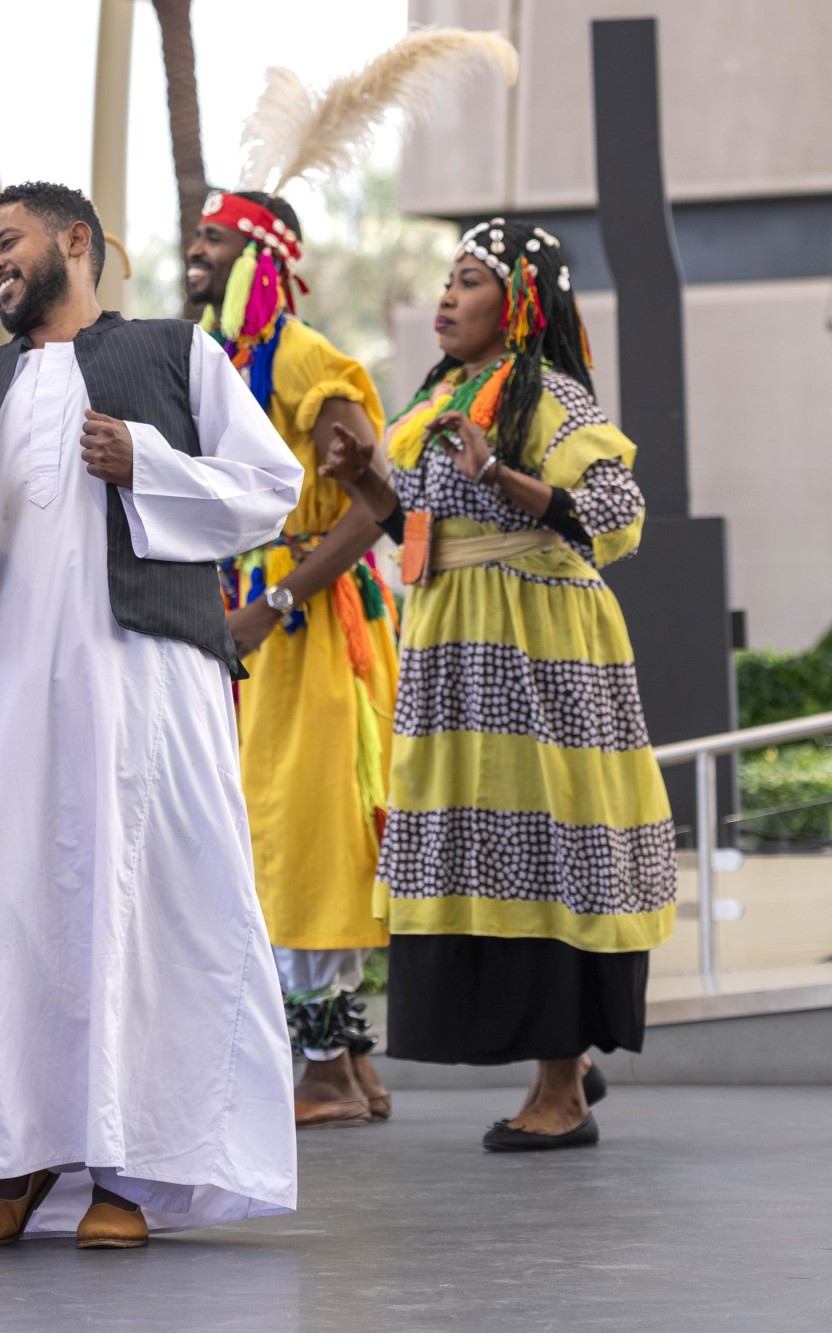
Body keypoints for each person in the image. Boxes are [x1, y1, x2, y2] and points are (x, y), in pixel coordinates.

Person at [0, 181, 303, 1251]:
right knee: (5, 911)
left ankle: (139, 1172)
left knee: (147, 907)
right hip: (0, 697)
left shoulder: (174, 355)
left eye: (8, 241)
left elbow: (269, 484)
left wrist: (147, 465)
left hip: (143, 690)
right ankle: (13, 1156)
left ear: (75, 242)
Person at [323, 219, 674, 1151]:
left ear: (516, 301)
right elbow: (416, 531)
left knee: (546, 834)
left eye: (469, 280)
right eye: (446, 278)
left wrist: (501, 471)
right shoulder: (442, 390)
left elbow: (614, 510)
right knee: (481, 842)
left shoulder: (547, 395)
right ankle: (559, 1061)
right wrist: (364, 478)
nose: (446, 295)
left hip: (536, 640)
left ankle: (561, 1087)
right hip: (451, 638)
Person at [187, 188, 398, 1128]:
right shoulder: (231, 362)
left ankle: (321, 1069)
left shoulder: (308, 361)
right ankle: (349, 1066)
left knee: (305, 837)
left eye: (214, 238)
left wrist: (270, 606)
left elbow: (376, 505)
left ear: (261, 255)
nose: (196, 251)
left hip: (306, 628)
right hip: (262, 625)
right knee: (273, 833)